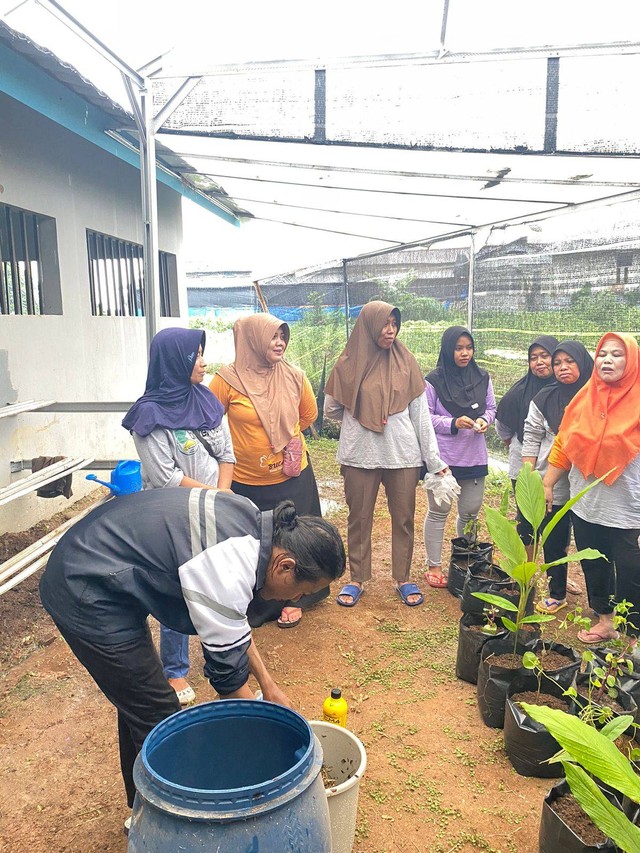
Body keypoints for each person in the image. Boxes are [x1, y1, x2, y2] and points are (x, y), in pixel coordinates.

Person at [39, 491, 346, 813]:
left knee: (138, 696)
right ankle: (162, 822)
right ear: (285, 566)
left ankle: (140, 805)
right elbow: (228, 682)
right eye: (302, 591)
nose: (295, 599)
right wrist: (271, 734)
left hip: (109, 567)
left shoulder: (257, 527)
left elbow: (233, 623)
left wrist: (268, 687)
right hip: (85, 586)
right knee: (155, 712)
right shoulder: (229, 565)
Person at [123, 327, 235, 706]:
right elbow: (165, 477)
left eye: (202, 353)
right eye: (195, 355)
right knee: (178, 586)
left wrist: (221, 494)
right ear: (174, 361)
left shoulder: (205, 400)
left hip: (212, 506)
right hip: (171, 514)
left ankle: (222, 657)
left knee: (217, 581)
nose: (203, 362)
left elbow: (226, 454)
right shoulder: (149, 415)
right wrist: (213, 497)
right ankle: (174, 670)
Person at [324, 301, 447, 608]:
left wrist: (435, 462)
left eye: (395, 323)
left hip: (402, 455)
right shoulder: (347, 363)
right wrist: (364, 411)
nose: (390, 330)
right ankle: (357, 579)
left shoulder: (407, 362)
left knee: (404, 518)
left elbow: (421, 416)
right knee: (359, 518)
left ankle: (402, 578)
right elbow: (330, 409)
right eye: (384, 323)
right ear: (369, 324)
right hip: (359, 455)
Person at [209, 313, 325, 628]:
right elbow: (206, 417)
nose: (280, 343)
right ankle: (257, 603)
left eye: (283, 336)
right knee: (253, 542)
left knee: (296, 537)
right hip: (246, 480)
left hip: (291, 476)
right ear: (253, 339)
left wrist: (282, 438)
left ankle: (295, 598)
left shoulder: (294, 375)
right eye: (273, 336)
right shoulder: (227, 379)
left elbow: (309, 414)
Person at [544, 332, 640, 644]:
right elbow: (564, 444)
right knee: (593, 564)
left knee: (631, 572)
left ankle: (632, 635)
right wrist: (546, 484)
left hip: (629, 510)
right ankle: (605, 620)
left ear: (632, 361)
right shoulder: (584, 399)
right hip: (587, 505)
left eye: (617, 354)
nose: (607, 360)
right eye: (602, 354)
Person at [521, 341, 593, 614]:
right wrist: (531, 478)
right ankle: (557, 592)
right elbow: (530, 438)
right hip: (552, 479)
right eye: (558, 363)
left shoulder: (597, 395)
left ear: (583, 362)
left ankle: (603, 604)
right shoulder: (545, 398)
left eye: (569, 362)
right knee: (554, 537)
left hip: (589, 482)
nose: (563, 368)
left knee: (590, 542)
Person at [423, 326, 496, 587]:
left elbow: (491, 408)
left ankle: (463, 562)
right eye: (458, 348)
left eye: (469, 348)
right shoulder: (433, 380)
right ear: (447, 349)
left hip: (474, 457)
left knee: (470, 512)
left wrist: (484, 420)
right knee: (438, 511)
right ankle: (433, 565)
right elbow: (426, 417)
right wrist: (453, 422)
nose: (465, 353)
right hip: (444, 460)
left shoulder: (482, 377)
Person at [495, 334, 558, 552]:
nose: (539, 362)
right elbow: (502, 427)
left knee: (556, 522)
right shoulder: (519, 392)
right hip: (523, 464)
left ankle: (555, 572)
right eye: (533, 358)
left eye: (545, 356)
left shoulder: (567, 391)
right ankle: (526, 575)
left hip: (558, 466)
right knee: (528, 519)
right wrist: (519, 447)